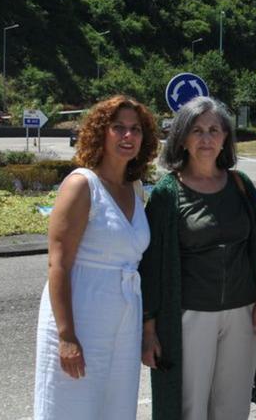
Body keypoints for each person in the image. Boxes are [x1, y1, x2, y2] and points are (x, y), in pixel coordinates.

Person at [139, 97, 256, 420]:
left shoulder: (241, 186)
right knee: (190, 408)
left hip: (243, 315)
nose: (206, 138)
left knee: (232, 407)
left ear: (225, 138)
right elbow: (151, 268)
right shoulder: (166, 194)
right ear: (182, 139)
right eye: (197, 130)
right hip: (188, 318)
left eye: (214, 130)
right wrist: (148, 331)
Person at [33, 96, 159, 419]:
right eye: (118, 128)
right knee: (70, 408)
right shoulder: (81, 185)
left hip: (123, 323)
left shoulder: (135, 187)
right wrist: (66, 337)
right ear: (101, 132)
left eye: (135, 129)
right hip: (81, 319)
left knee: (115, 409)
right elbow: (58, 263)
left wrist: (146, 330)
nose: (128, 136)